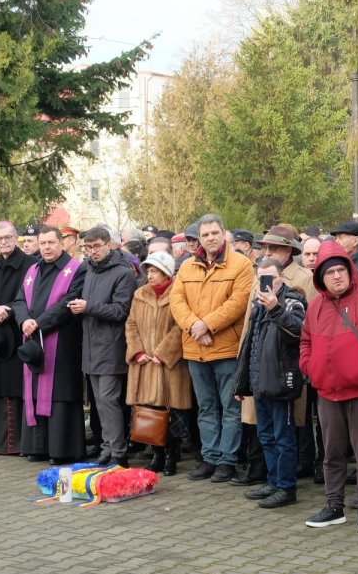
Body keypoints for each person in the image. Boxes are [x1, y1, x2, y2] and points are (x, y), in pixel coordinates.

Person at [300, 240, 358, 532]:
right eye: (330, 273)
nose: (336, 276)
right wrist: (310, 368)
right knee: (331, 453)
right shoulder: (315, 305)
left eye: (341, 270)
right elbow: (305, 342)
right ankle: (334, 506)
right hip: (327, 392)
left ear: (350, 270)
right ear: (321, 277)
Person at [169, 214, 253, 483]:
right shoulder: (186, 267)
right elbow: (176, 300)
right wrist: (194, 325)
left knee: (230, 407)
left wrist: (207, 325)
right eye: (205, 235)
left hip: (226, 348)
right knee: (206, 407)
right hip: (195, 348)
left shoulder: (241, 264)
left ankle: (227, 461)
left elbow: (238, 303)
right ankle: (210, 457)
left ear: (223, 233)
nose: (210, 239)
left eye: (214, 233)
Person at [233, 258, 306, 508]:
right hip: (259, 382)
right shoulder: (256, 305)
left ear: (282, 277)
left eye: (271, 278)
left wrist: (275, 308)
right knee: (265, 436)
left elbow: (298, 333)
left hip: (281, 383)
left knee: (283, 438)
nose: (267, 284)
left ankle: (286, 487)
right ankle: (274, 482)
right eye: (262, 279)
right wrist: (241, 384)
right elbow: (250, 346)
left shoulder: (293, 302)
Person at [12, 226, 87, 464]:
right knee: (34, 393)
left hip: (63, 344)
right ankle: (37, 447)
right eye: (42, 243)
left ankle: (61, 449)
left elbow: (69, 302)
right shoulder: (32, 269)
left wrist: (39, 323)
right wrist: (24, 320)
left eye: (51, 242)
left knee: (60, 395)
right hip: (35, 340)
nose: (46, 247)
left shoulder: (76, 269)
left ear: (62, 243)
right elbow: (19, 299)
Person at [71, 226, 135, 466]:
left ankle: (119, 452)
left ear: (109, 244)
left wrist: (88, 307)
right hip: (91, 347)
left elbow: (121, 311)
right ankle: (108, 447)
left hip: (111, 348)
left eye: (96, 246)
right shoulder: (89, 270)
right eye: (88, 247)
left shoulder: (123, 273)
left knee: (109, 401)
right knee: (99, 403)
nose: (92, 251)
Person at [124, 252, 191, 475]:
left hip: (168, 365)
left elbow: (180, 326)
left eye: (154, 271)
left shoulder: (179, 294)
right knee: (149, 412)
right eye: (148, 271)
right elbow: (131, 325)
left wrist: (162, 352)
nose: (150, 276)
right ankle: (157, 455)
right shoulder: (139, 294)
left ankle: (172, 456)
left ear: (166, 273)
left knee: (170, 412)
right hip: (144, 364)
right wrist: (138, 351)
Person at [0, 222, 33, 455]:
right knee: (1, 387)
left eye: (7, 237)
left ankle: (23, 442)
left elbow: (33, 297)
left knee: (22, 387)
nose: (3, 242)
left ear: (16, 238)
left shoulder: (31, 264)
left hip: (21, 333)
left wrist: (8, 310)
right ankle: (3, 443)